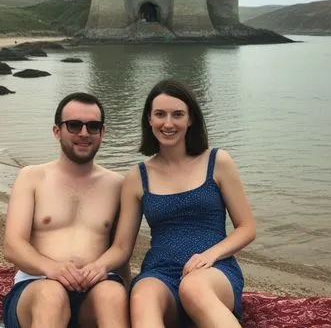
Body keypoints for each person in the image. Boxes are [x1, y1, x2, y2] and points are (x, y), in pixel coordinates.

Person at [88, 79, 256, 328]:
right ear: (149, 120)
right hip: (160, 272)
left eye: (177, 114)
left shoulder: (217, 161)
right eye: (160, 114)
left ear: (190, 120)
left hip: (214, 270)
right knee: (141, 296)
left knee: (193, 287)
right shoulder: (137, 176)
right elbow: (122, 246)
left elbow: (247, 227)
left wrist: (209, 255)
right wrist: (93, 268)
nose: (168, 123)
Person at [2, 92, 130, 328]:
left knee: (113, 294)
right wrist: (52, 268)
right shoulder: (32, 177)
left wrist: (101, 267)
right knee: (51, 295)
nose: (83, 133)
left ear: (102, 133)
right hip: (36, 286)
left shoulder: (117, 185)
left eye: (93, 126)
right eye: (74, 125)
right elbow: (13, 246)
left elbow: (121, 248)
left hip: (93, 290)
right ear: (57, 131)